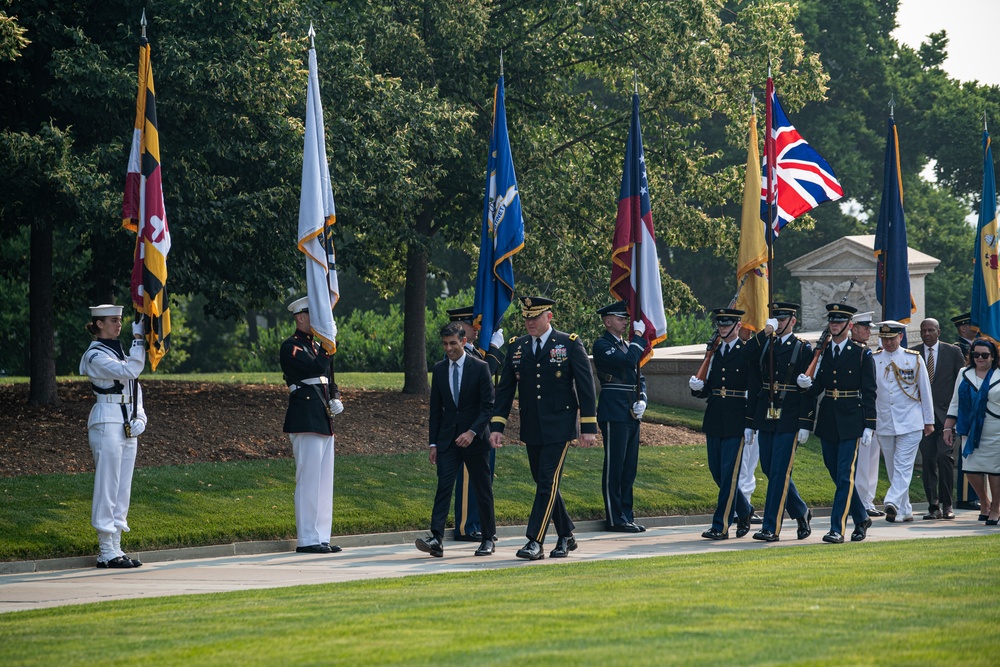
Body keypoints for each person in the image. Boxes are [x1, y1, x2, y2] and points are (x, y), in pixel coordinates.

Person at [490, 296, 598, 560]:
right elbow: (505, 390)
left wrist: (588, 426)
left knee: (547, 480)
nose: (529, 323)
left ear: (548, 317)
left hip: (560, 425)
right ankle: (566, 535)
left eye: (535, 317)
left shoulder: (569, 343)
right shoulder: (518, 346)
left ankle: (534, 541)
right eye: (526, 317)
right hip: (532, 425)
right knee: (544, 483)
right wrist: (497, 426)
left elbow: (586, 386)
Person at [415, 322, 497, 558]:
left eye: (453, 343)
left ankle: (488, 538)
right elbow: (436, 410)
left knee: (482, 489)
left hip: (475, 439)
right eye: (445, 343)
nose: (448, 348)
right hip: (448, 441)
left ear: (463, 341)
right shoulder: (440, 369)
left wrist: (472, 432)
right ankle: (436, 539)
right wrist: (433, 444)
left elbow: (488, 406)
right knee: (444, 487)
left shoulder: (480, 367)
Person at [797, 304, 876, 543]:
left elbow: (870, 391)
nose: (835, 325)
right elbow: (820, 385)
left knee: (844, 476)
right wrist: (807, 385)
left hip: (852, 419)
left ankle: (837, 528)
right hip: (829, 418)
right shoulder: (823, 352)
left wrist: (870, 424)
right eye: (832, 321)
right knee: (835, 471)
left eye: (840, 321)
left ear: (849, 325)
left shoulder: (862, 353)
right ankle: (861, 517)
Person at [80, 304, 148, 569]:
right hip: (106, 418)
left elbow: (134, 386)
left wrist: (140, 416)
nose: (119, 325)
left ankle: (116, 546)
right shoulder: (95, 354)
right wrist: (139, 341)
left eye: (120, 320)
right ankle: (105, 549)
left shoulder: (119, 351)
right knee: (107, 485)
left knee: (122, 487)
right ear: (98, 324)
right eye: (113, 320)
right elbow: (129, 372)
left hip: (127, 420)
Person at [745, 302, 815, 542]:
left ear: (793, 321)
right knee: (769, 468)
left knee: (778, 472)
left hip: (790, 416)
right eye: (776, 319)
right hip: (767, 414)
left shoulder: (803, 349)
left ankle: (770, 527)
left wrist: (805, 423)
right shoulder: (766, 344)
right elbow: (747, 360)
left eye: (783, 319)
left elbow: (808, 390)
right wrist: (764, 334)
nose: (779, 322)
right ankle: (801, 511)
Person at [280, 296, 344, 554]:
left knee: (323, 480)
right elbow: (316, 368)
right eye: (314, 317)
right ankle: (307, 538)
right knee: (308, 480)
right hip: (305, 417)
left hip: (323, 417)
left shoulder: (319, 346)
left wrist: (337, 398)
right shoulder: (291, 347)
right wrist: (329, 345)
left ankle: (322, 536)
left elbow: (329, 378)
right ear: (301, 318)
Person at [688, 308, 754, 540]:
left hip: (737, 419)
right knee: (717, 471)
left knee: (728, 475)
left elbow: (754, 390)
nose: (722, 328)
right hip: (715, 417)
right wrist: (698, 388)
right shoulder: (714, 352)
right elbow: (710, 388)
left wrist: (750, 422)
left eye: (727, 325)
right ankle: (745, 510)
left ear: (737, 326)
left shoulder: (747, 352)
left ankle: (721, 525)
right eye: (720, 324)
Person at [444, 305, 505, 542]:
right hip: (465, 427)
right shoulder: (458, 354)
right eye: (475, 323)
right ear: (461, 327)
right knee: (469, 480)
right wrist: (496, 351)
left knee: (482, 480)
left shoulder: (473, 351)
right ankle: (466, 526)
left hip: (480, 426)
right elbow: (483, 374)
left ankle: (478, 524)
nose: (479, 327)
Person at [592, 300, 648, 533]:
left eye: (626, 318)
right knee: (614, 466)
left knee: (629, 467)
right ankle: (615, 518)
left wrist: (643, 398)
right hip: (614, 410)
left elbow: (639, 377)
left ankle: (626, 515)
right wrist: (638, 337)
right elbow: (628, 362)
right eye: (620, 318)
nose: (625, 322)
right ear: (607, 321)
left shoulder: (626, 345)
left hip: (630, 411)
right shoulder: (602, 344)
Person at [871, 321, 934, 523]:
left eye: (892, 338)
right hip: (884, 420)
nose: (888, 342)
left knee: (903, 465)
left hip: (911, 420)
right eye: (884, 338)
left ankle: (891, 500)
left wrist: (929, 421)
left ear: (900, 337)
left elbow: (925, 391)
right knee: (892, 466)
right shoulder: (874, 360)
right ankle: (904, 509)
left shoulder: (913, 359)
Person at [913, 318, 965, 520]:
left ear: (939, 332)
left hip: (946, 418)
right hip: (922, 417)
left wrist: (957, 415)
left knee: (944, 458)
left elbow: (960, 384)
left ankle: (947, 505)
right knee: (928, 461)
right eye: (923, 331)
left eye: (931, 330)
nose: (927, 334)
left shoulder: (953, 352)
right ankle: (933, 506)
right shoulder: (913, 353)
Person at [944, 339, 1000, 525]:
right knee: (971, 469)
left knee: (995, 470)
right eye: (976, 354)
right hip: (969, 427)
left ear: (993, 356)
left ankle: (995, 509)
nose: (980, 358)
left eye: (984, 355)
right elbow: (955, 402)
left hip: (995, 428)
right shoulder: (964, 373)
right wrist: (947, 427)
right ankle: (985, 502)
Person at [850, 311, 883, 517]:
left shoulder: (867, 351)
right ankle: (861, 500)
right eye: (865, 328)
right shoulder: (855, 352)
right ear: (853, 328)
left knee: (871, 459)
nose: (868, 332)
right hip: (858, 411)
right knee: (862, 460)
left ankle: (868, 499)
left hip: (872, 411)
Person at [951, 313, 983, 511]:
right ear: (963, 328)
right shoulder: (958, 349)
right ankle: (965, 496)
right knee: (967, 457)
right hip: (966, 408)